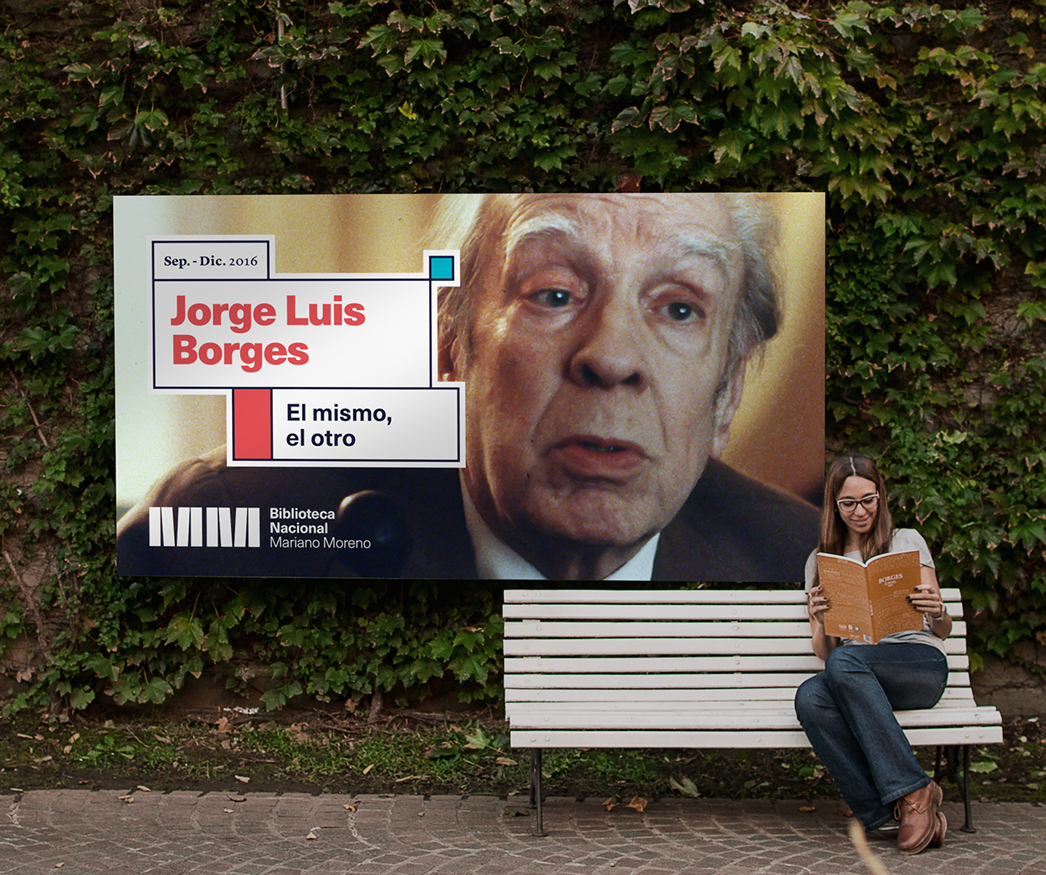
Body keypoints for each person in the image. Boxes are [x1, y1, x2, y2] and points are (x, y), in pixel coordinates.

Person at [116, 193, 819, 580]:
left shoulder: (804, 565)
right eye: (553, 294)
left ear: (728, 390)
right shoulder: (219, 529)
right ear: (451, 343)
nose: (610, 357)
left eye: (677, 308)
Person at [795, 451, 954, 854]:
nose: (860, 511)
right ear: (833, 505)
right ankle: (888, 807)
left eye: (868, 499)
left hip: (917, 665)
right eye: (848, 503)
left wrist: (938, 611)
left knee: (845, 663)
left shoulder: (906, 541)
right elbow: (824, 654)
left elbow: (942, 630)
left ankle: (914, 792)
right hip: (856, 672)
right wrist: (822, 620)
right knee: (810, 696)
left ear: (881, 496)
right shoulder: (820, 562)